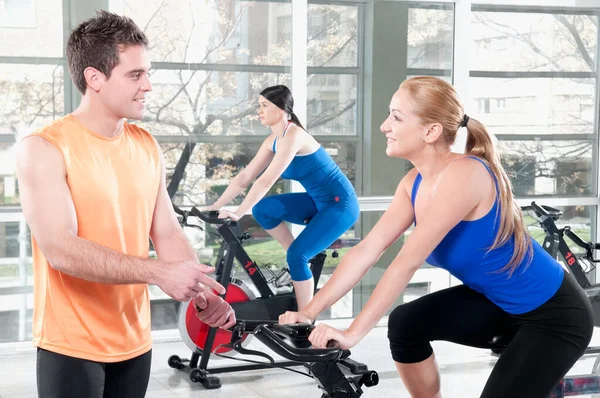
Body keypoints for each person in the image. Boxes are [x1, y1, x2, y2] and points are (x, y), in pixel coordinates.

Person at [279, 76, 594, 398]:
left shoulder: (466, 173)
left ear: (430, 131)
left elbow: (406, 262)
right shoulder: (413, 182)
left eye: (396, 117)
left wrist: (351, 333)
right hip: (500, 306)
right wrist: (309, 311)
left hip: (554, 317)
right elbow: (366, 250)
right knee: (406, 323)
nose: (384, 126)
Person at [15, 11, 235, 398]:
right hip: (71, 346)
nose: (148, 86)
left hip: (135, 341)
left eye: (147, 73)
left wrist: (202, 294)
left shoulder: (145, 145)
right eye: (135, 75)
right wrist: (158, 273)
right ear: (94, 78)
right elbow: (60, 249)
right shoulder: (45, 148)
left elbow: (166, 230)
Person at [210, 85, 359, 310]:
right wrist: (215, 206)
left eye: (264, 106)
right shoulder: (273, 140)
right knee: (263, 209)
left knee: (297, 256)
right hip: (317, 202)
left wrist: (238, 213)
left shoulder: (294, 135)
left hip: (341, 206)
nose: (259, 111)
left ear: (280, 109)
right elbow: (246, 176)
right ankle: (299, 258)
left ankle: (306, 318)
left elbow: (265, 181)